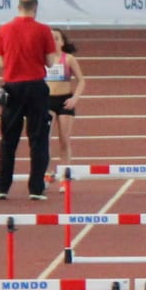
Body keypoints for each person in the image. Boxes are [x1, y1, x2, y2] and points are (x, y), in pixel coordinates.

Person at [0, 0, 57, 201]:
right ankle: (36, 188)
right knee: (38, 138)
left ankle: (2, 187)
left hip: (12, 87)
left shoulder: (4, 29)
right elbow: (49, 61)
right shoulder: (43, 30)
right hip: (36, 87)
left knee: (8, 139)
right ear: (35, 8)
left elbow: (2, 62)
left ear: (18, 7)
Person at [44, 28, 85, 183]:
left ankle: (64, 175)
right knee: (43, 140)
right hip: (47, 101)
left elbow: (81, 80)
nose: (53, 41)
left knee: (64, 139)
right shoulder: (42, 59)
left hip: (65, 101)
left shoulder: (68, 59)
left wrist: (75, 98)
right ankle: (47, 174)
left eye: (56, 38)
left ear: (62, 42)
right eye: (50, 38)